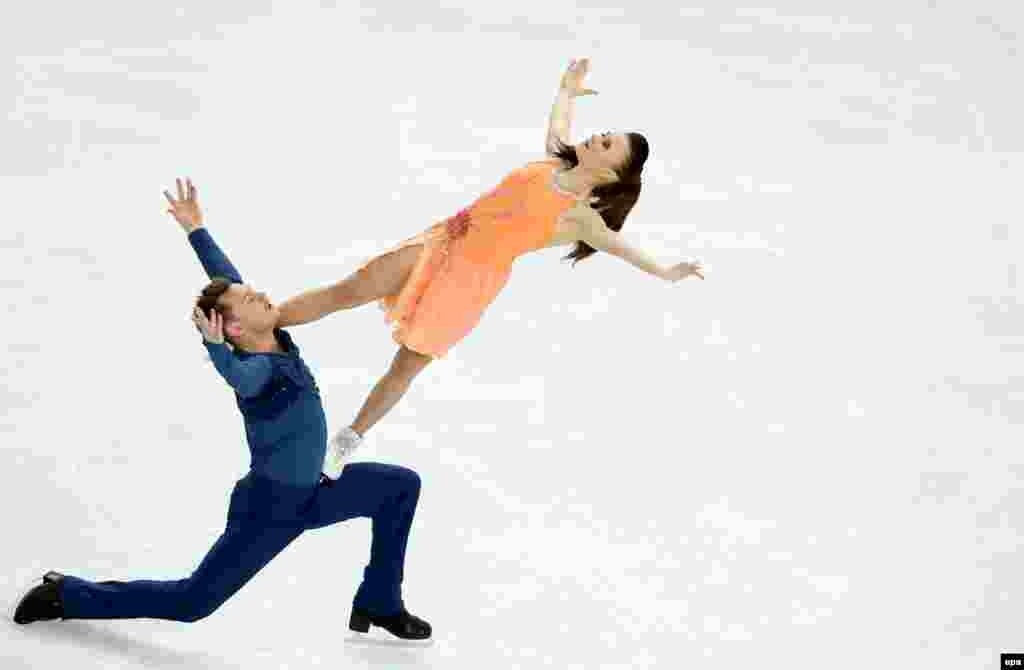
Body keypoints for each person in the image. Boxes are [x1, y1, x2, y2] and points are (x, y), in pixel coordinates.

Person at [12, 177, 431, 642]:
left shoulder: (271, 337)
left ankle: (380, 599)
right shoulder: (256, 372)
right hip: (269, 510)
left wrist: (196, 230)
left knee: (399, 488)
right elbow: (238, 375)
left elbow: (228, 281)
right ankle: (66, 595)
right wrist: (217, 351)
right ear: (232, 327)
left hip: (316, 489)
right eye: (250, 299)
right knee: (192, 603)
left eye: (254, 291)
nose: (261, 294)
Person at [273, 58, 706, 478]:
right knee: (348, 291)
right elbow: (558, 125)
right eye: (605, 133)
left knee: (406, 365)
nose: (598, 138)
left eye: (608, 144)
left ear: (611, 175)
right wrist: (567, 91)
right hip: (442, 241)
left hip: (471, 284)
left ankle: (348, 439)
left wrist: (667, 272)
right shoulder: (553, 161)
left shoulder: (579, 217)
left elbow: (621, 247)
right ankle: (268, 322)